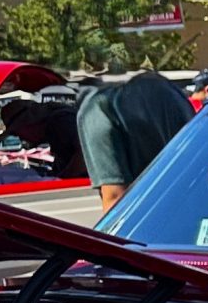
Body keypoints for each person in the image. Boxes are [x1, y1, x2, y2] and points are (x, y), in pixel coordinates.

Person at [75, 73, 194, 210]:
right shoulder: (171, 93)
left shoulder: (97, 109)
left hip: (151, 218)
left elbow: (115, 198)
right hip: (198, 209)